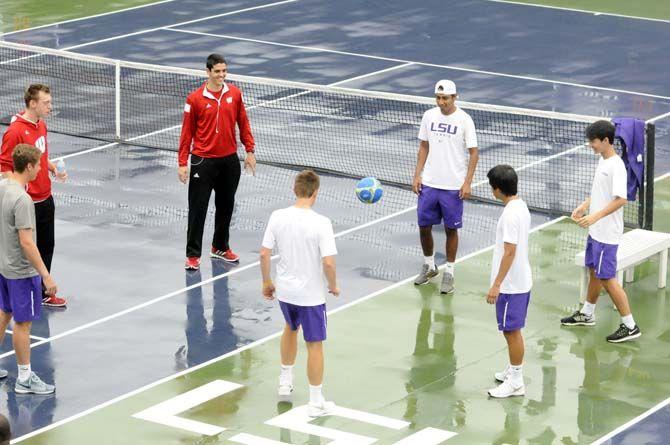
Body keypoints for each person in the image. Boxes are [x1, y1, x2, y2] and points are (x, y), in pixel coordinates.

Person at [260, 170, 339, 416]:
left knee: (289, 328)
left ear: (295, 190)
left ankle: (285, 382)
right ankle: (316, 401)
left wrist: (266, 282)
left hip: (285, 292)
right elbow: (328, 263)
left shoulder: (277, 216)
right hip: (311, 296)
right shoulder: (322, 223)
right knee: (314, 345)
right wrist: (333, 285)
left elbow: (264, 254)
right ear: (316, 193)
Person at [561, 120, 641, 343]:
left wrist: (595, 216)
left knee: (607, 278)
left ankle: (630, 325)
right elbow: (600, 192)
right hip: (595, 231)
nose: (591, 145)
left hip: (607, 234)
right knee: (593, 271)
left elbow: (621, 199)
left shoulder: (616, 166)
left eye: (593, 142)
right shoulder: (603, 160)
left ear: (606, 141)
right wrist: (586, 205)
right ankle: (587, 313)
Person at [178, 53, 256, 270]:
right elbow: (186, 133)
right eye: (217, 71)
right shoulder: (194, 99)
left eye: (224, 71)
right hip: (203, 162)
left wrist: (250, 150)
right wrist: (183, 162)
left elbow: (243, 123)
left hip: (229, 161)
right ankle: (193, 255)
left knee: (226, 206)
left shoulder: (235, 94)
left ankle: (219, 247)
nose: (222, 75)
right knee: (198, 209)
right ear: (208, 72)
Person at [0, 84, 67, 307]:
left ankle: (42, 291)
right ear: (33, 103)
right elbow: (4, 165)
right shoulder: (15, 131)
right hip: (28, 203)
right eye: (46, 102)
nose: (50, 106)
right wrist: (17, 193)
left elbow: (40, 155)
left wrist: (50, 167)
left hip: (46, 197)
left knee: (47, 246)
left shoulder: (41, 126)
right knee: (25, 250)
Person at [0, 144, 57, 395]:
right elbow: (26, 242)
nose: (41, 169)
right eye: (39, 165)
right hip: (21, 272)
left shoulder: (3, 185)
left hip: (3, 266)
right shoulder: (23, 199)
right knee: (23, 324)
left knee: (4, 313)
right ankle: (24, 378)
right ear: (29, 166)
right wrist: (45, 275)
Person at [412, 79, 479, 293]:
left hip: (453, 186)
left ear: (454, 97)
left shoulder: (464, 120)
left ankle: (449, 272)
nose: (441, 102)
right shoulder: (428, 116)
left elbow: (474, 152)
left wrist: (467, 182)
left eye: (445, 98)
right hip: (429, 183)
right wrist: (417, 175)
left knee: (451, 229)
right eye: (438, 98)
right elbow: (424, 146)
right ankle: (430, 266)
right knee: (424, 226)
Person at [485, 165, 531, 398]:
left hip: (512, 285)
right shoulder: (520, 206)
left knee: (512, 332)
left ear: (498, 189)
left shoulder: (511, 214)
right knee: (512, 331)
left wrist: (496, 285)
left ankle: (516, 381)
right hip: (520, 281)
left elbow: (509, 252)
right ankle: (513, 372)